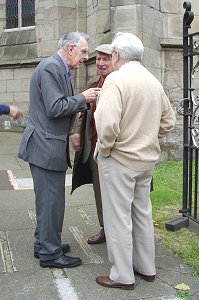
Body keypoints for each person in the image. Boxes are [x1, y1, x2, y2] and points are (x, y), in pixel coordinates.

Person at [94, 33, 176, 289]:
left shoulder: (116, 80)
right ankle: (147, 267)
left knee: (118, 218)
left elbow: (107, 125)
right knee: (141, 214)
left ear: (117, 55)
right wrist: (146, 135)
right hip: (145, 160)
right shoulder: (153, 80)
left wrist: (105, 148)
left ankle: (122, 275)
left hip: (119, 159)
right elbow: (169, 121)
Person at [18, 32, 100, 269]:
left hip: (48, 145)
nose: (86, 57)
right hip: (44, 147)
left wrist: (76, 110)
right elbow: (55, 107)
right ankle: (50, 254)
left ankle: (44, 243)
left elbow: (57, 108)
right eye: (84, 51)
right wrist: (82, 98)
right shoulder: (50, 68)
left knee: (48, 202)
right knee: (51, 202)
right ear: (71, 48)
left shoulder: (58, 67)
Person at [70, 44, 113, 244]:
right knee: (99, 190)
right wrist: (77, 132)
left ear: (116, 60)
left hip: (115, 150)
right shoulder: (93, 82)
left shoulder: (119, 83)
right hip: (94, 147)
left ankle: (122, 232)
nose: (101, 63)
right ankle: (105, 228)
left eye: (106, 59)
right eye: (98, 59)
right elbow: (82, 111)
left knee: (117, 193)